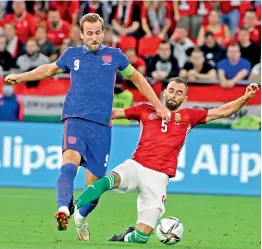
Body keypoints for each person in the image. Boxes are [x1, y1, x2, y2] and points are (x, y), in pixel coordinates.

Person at [4, 13, 170, 239]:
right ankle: (64, 207)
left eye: (98, 33)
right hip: (75, 119)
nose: (94, 37)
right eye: (89, 33)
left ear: (103, 33)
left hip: (101, 127)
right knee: (69, 163)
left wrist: (158, 105)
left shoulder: (115, 56)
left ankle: (80, 219)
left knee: (93, 192)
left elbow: (138, 79)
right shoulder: (71, 55)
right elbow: (48, 70)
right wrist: (21, 77)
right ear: (81, 35)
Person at [74, 77, 258, 244]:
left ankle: (125, 236)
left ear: (184, 99)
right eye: (171, 90)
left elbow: (223, 112)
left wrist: (246, 97)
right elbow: (113, 113)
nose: (174, 95)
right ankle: (74, 212)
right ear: (164, 92)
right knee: (106, 181)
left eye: (179, 93)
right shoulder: (145, 110)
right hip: (136, 165)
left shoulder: (189, 116)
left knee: (141, 238)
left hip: (159, 178)